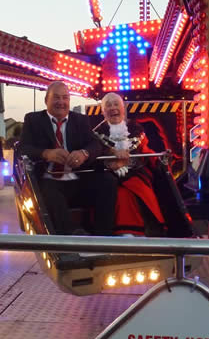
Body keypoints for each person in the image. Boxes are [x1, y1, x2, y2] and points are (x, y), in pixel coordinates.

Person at [18, 81, 117, 235]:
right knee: (48, 192)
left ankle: (103, 235)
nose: (61, 102)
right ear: (46, 100)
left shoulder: (80, 120)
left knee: (107, 181)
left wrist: (84, 153)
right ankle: (70, 235)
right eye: (56, 98)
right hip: (49, 179)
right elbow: (23, 148)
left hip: (79, 177)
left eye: (65, 98)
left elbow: (95, 144)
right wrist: (46, 153)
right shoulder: (33, 120)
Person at [95, 92, 166, 237]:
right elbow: (95, 155)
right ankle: (125, 231)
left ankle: (144, 230)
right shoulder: (96, 134)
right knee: (118, 192)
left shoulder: (136, 130)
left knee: (138, 189)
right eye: (108, 105)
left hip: (136, 173)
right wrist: (112, 159)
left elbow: (145, 151)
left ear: (123, 108)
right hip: (108, 175)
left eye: (116, 104)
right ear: (103, 112)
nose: (113, 108)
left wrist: (160, 159)